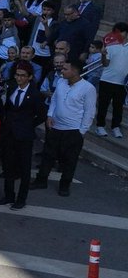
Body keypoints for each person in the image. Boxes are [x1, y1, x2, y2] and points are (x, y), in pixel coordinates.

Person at [32, 58, 96, 197]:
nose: (62, 71)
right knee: (48, 155)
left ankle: (64, 185)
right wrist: (49, 115)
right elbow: (54, 100)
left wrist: (82, 131)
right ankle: (41, 180)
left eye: (65, 69)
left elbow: (89, 111)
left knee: (69, 159)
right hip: (55, 126)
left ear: (75, 71)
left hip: (73, 131)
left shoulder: (88, 88)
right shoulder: (61, 82)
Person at [0, 63, 46, 209]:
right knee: (8, 166)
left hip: (24, 136)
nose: (19, 78)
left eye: (22, 75)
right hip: (9, 133)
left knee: (24, 168)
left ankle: (21, 198)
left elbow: (42, 114)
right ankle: (9, 195)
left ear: (30, 77)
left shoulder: (35, 93)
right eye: (17, 75)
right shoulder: (12, 88)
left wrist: (29, 125)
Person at [94, 22, 128, 139]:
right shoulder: (110, 46)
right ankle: (100, 125)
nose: (119, 34)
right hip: (107, 80)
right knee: (103, 104)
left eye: (121, 32)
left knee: (118, 106)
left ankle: (116, 127)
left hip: (122, 83)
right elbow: (105, 64)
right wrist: (103, 55)